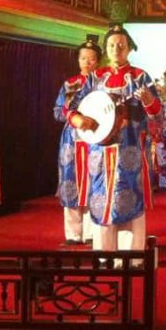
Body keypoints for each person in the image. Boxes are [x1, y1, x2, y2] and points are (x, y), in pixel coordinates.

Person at [68, 23, 163, 252]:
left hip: (129, 148)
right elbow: (71, 106)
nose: (116, 48)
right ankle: (104, 254)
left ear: (129, 48)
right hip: (101, 150)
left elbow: (159, 114)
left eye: (121, 44)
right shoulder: (95, 77)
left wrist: (149, 101)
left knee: (129, 196)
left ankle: (133, 254)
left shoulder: (140, 77)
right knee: (101, 197)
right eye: (111, 44)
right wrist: (78, 119)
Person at [53, 34, 100, 246]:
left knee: (93, 181)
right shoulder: (69, 83)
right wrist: (72, 116)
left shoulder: (102, 82)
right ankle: (72, 233)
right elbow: (57, 111)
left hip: (96, 137)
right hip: (71, 140)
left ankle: (91, 232)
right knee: (71, 182)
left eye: (91, 59)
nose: (87, 62)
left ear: (98, 60)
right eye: (83, 58)